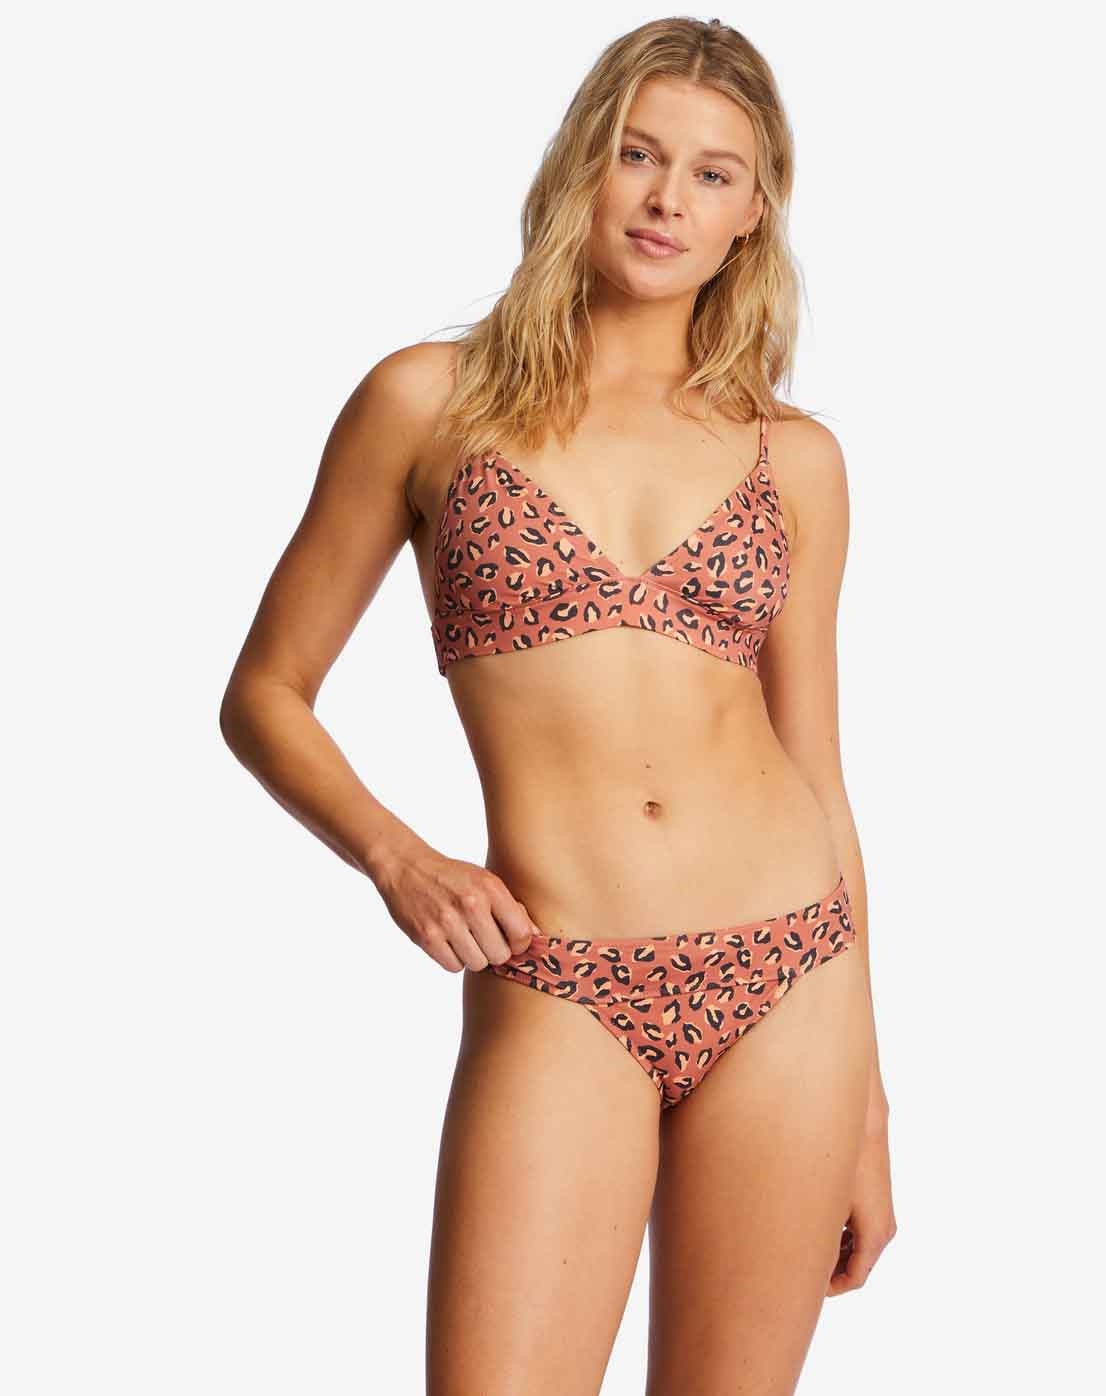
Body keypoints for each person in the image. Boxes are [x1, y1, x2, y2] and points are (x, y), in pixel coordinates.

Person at [220, 16, 896, 1394]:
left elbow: (818, 767)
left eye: (712, 174)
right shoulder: (430, 402)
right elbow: (265, 693)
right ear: (581, 163)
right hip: (561, 976)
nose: (667, 198)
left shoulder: (795, 458)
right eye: (638, 155)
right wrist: (398, 859)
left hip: (791, 979)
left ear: (752, 214)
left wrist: (868, 1104)